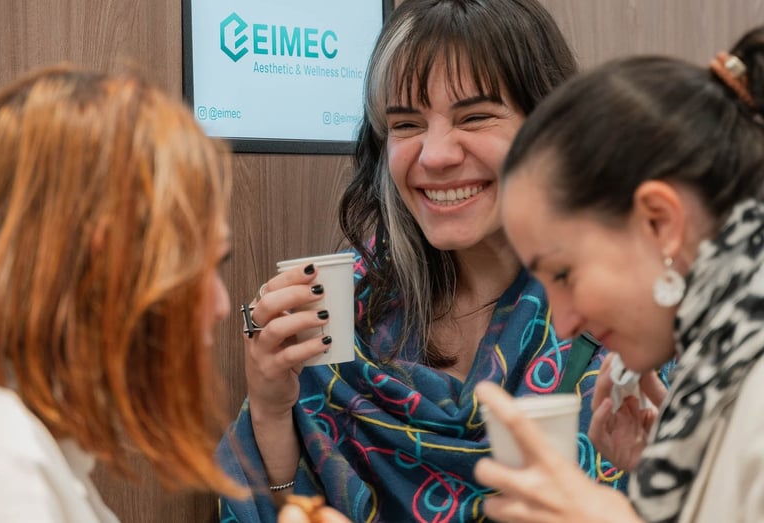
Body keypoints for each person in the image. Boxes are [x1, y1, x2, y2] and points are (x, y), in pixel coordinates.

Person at [219, 0, 627, 521]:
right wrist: (272, 407)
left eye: (475, 117)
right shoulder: (348, 307)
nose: (435, 155)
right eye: (407, 124)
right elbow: (289, 508)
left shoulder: (625, 314)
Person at [477, 24, 764, 523]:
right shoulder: (723, 370)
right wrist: (678, 467)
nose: (564, 324)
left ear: (660, 222)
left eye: (564, 273)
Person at [0, 64, 246, 521]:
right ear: (104, 262)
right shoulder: (12, 470)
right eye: (197, 265)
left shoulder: (37, 450)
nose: (222, 305)